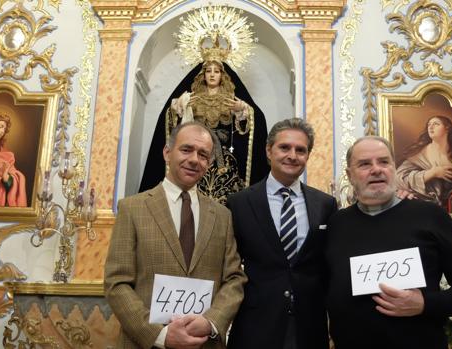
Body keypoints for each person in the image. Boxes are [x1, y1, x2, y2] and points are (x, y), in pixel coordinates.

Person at [326, 136, 452, 349]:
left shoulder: (431, 216)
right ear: (350, 175)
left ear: (394, 167)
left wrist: (424, 304)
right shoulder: (337, 224)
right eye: (364, 164)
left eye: (384, 162)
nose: (376, 169)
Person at [104, 121, 246, 349]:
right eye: (186, 149)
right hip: (146, 344)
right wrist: (159, 336)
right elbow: (117, 282)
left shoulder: (222, 215)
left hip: (203, 343)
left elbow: (234, 279)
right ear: (167, 153)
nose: (194, 159)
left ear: (209, 163)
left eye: (203, 155)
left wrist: (211, 322)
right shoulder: (132, 208)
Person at [226, 118, 338, 349]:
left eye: (301, 150)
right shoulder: (239, 203)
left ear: (308, 155)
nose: (292, 155)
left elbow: (328, 266)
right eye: (284, 147)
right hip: (255, 324)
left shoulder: (326, 204)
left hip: (309, 327)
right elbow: (229, 265)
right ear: (269, 150)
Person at [139, 60, 269, 204]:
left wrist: (243, 111)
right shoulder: (192, 97)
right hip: (196, 158)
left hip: (224, 163)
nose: (212, 75)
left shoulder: (231, 99)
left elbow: (253, 124)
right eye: (208, 71)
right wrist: (179, 108)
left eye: (217, 71)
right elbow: (173, 122)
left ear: (223, 76)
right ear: (203, 75)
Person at [395, 115, 452, 213]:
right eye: (429, 125)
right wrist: (432, 173)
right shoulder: (418, 155)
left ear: (447, 128)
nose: (430, 127)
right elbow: (399, 179)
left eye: (436, 124)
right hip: (424, 204)